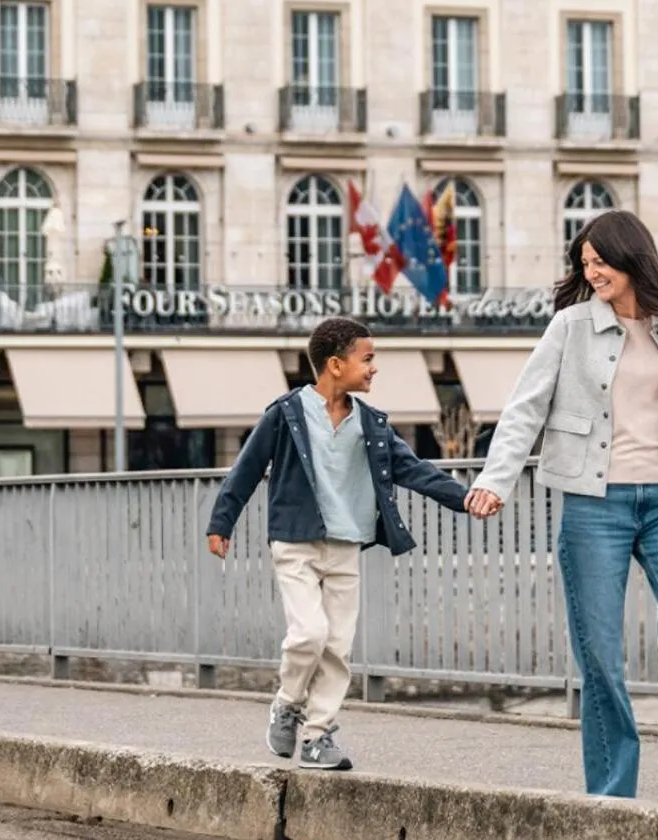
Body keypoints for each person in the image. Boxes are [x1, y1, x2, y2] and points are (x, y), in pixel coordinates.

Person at [464, 210, 658, 810]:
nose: (591, 272)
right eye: (585, 263)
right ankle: (612, 796)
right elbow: (525, 409)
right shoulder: (570, 327)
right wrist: (497, 479)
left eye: (601, 261)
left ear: (631, 259)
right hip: (594, 505)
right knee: (600, 656)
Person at [206, 315, 483, 772]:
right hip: (294, 541)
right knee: (309, 634)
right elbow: (248, 467)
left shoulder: (370, 424)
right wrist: (223, 521)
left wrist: (466, 498)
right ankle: (287, 703)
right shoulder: (287, 413)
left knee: (336, 646)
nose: (373, 368)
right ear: (335, 364)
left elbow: (414, 469)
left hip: (346, 544)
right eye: (367, 359)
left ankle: (317, 736)